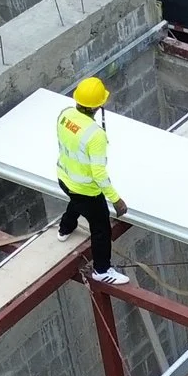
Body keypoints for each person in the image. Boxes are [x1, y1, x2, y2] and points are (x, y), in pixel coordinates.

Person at [56, 77, 130, 286]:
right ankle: (102, 270)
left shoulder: (65, 115)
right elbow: (98, 173)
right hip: (86, 189)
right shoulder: (95, 134)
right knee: (101, 229)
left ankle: (65, 229)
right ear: (98, 105)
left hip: (64, 178)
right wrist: (116, 200)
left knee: (76, 202)